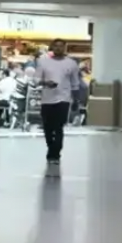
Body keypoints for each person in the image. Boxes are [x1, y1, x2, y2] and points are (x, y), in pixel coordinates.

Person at [34, 38, 81, 166]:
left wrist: (76, 100)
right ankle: (51, 147)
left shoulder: (71, 64)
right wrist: (45, 83)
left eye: (61, 46)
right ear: (52, 47)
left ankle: (55, 154)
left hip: (64, 99)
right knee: (48, 127)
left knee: (58, 126)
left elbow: (75, 83)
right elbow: (36, 79)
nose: (58, 48)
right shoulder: (43, 62)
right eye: (56, 46)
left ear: (65, 48)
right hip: (47, 99)